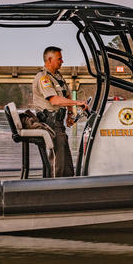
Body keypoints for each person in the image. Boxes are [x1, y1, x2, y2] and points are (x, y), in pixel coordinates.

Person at [30, 46, 86, 177]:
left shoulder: (57, 76)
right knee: (58, 160)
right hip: (50, 123)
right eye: (59, 59)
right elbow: (54, 100)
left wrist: (70, 114)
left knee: (65, 159)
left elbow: (66, 95)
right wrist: (78, 103)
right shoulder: (43, 78)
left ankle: (68, 185)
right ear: (49, 59)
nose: (62, 61)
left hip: (58, 123)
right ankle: (53, 187)